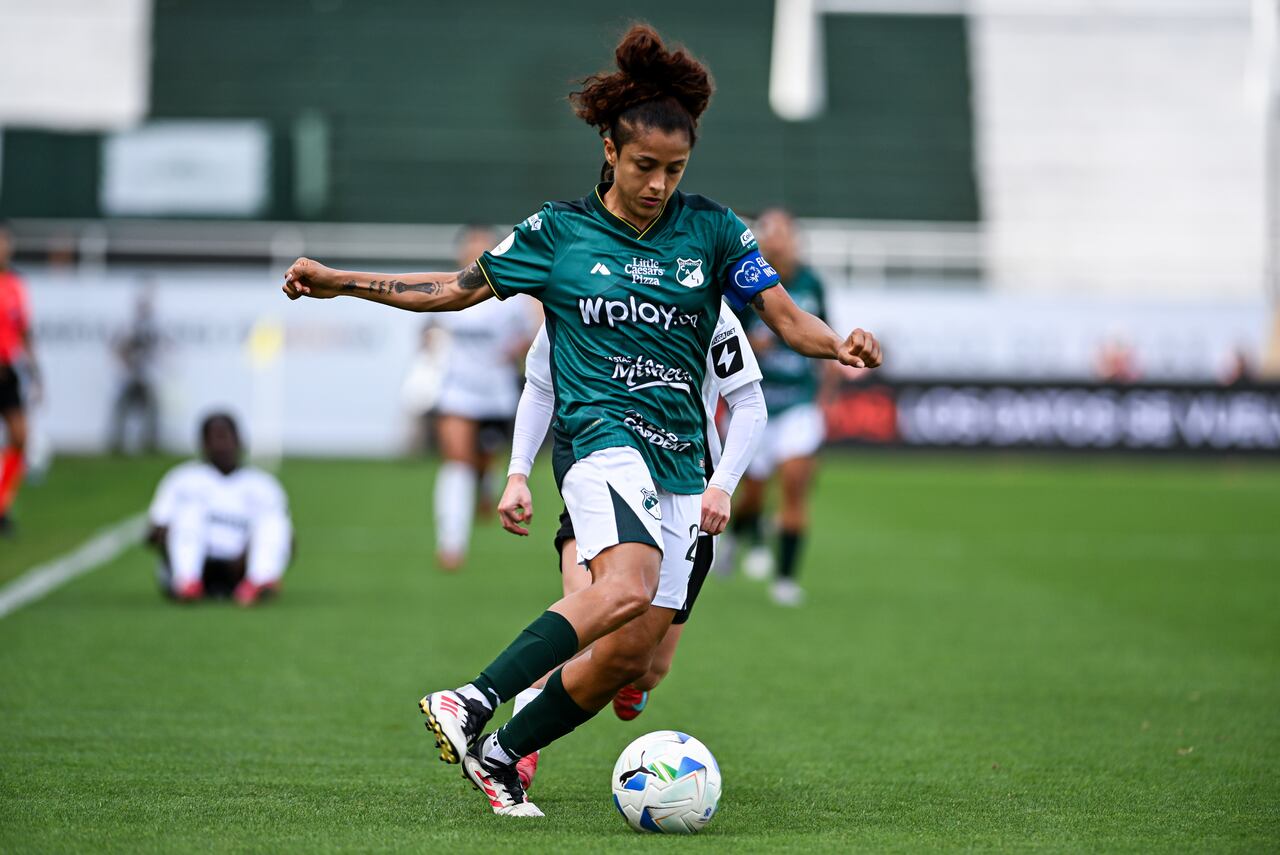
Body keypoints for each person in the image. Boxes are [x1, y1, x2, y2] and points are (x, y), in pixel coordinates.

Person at [280, 24, 882, 818]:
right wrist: (342, 283)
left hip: (679, 465)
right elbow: (456, 289)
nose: (660, 184)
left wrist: (840, 344)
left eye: (675, 169)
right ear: (608, 148)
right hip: (600, 440)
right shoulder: (557, 233)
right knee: (624, 582)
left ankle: (500, 755)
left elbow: (785, 316)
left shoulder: (716, 232)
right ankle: (471, 699)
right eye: (644, 166)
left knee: (633, 656)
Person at [496, 300, 767, 789]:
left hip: (687, 490)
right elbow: (540, 386)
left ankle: (626, 678)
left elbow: (749, 403)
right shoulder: (583, 290)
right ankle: (513, 753)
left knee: (644, 668)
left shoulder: (707, 305)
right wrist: (518, 473)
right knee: (588, 619)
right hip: (603, 470)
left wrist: (721, 484)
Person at [723, 209, 839, 606]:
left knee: (793, 484)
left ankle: (786, 578)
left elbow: (823, 335)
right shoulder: (744, 279)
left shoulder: (812, 283)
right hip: (755, 404)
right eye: (769, 234)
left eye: (784, 233)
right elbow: (723, 336)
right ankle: (739, 536)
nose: (777, 240)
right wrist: (752, 346)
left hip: (798, 403)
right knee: (753, 494)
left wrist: (826, 395)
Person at [415, 226, 539, 571]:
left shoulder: (511, 295)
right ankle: (451, 544)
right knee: (457, 462)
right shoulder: (447, 288)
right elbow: (428, 330)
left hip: (496, 391)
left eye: (482, 246)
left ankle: (486, 486)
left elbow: (533, 334)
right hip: (457, 388)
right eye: (470, 246)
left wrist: (514, 350)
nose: (474, 252)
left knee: (483, 461)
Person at [146, 412, 293, 606]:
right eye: (215, 438)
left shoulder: (263, 485)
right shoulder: (182, 479)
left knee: (275, 521)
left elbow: (288, 543)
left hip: (238, 569)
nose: (222, 445)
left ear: (239, 440)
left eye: (227, 437)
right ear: (203, 444)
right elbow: (154, 532)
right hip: (198, 563)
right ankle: (187, 582)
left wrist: (246, 555)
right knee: (190, 511)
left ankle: (257, 581)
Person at [0, 219, 41, 535]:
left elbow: (24, 331)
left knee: (20, 438)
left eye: (6, 241)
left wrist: (36, 371)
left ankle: (1, 504)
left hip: (7, 371)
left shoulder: (15, 285)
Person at [109, 291, 162, 455]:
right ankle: (118, 442)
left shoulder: (152, 326)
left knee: (151, 409)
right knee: (122, 408)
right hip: (130, 374)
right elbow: (119, 347)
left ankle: (150, 442)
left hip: (146, 374)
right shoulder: (129, 326)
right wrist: (128, 363)